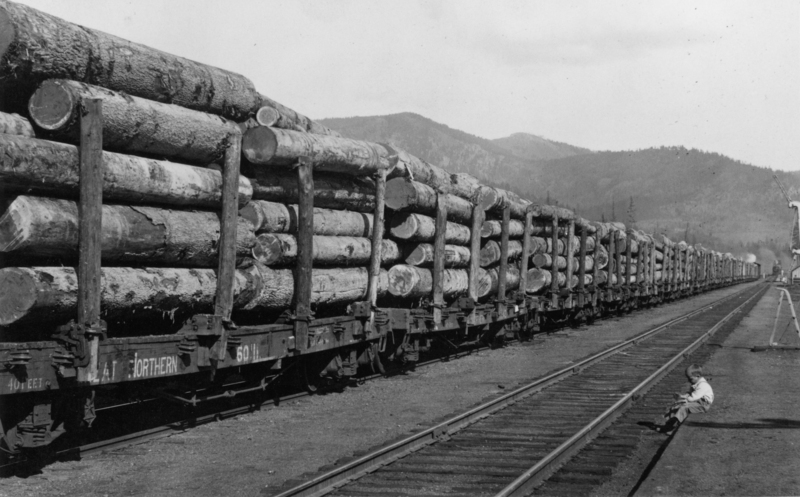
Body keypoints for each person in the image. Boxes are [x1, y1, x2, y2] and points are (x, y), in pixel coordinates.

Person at [660, 364, 714, 433]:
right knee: (677, 405)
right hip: (697, 402)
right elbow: (690, 394)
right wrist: (682, 397)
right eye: (688, 379)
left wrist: (683, 399)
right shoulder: (696, 383)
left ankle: (673, 426)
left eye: (690, 379)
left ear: (697, 376)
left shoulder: (703, 385)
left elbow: (692, 398)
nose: (689, 381)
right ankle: (668, 421)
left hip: (703, 405)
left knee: (684, 407)